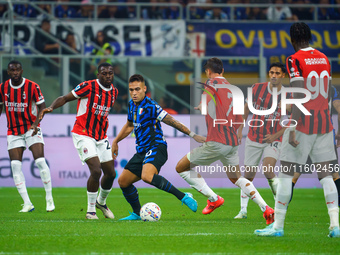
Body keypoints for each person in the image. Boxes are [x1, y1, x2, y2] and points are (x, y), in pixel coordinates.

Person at [255, 22, 340, 237]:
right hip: (325, 124)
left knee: (284, 176)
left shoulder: (294, 59)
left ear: (292, 39)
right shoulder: (324, 58)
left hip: (303, 124)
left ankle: (277, 227)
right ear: (310, 36)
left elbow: (300, 93)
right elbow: (329, 91)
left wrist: (292, 127)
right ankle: (335, 225)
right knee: (327, 176)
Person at [175, 57, 275, 223]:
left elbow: (206, 104)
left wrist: (202, 106)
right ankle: (266, 208)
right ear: (222, 71)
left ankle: (214, 199)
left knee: (182, 167)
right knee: (237, 178)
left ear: (208, 71)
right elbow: (239, 116)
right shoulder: (233, 89)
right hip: (232, 142)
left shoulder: (210, 85)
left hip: (216, 142)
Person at [111, 74, 205, 220]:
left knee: (147, 176)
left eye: (137, 89)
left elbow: (171, 121)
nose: (134, 93)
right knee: (123, 181)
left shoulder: (151, 106)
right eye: (131, 90)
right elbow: (129, 126)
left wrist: (193, 135)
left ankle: (183, 196)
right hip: (142, 151)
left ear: (144, 89)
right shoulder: (131, 105)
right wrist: (116, 141)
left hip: (157, 147)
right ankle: (137, 212)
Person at [39, 63, 117, 220]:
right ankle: (90, 211)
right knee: (96, 170)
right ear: (98, 74)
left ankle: (101, 202)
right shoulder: (88, 86)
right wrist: (51, 107)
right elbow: (65, 98)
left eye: (110, 73)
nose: (108, 76)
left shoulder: (114, 92)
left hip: (101, 136)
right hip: (83, 133)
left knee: (110, 173)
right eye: (104, 73)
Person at [234, 62, 289, 219]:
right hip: (253, 137)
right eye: (271, 72)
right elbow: (246, 108)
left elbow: (293, 120)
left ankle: (279, 206)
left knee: (268, 168)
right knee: (248, 176)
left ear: (283, 75)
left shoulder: (287, 95)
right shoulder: (257, 88)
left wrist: (275, 134)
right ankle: (243, 211)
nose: (274, 76)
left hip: (273, 138)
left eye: (277, 73)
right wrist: (239, 129)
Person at [0, 60, 54, 213]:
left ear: (22, 71)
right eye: (12, 70)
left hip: (31, 128)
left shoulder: (32, 86)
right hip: (13, 131)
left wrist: (36, 124)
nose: (15, 72)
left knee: (40, 161)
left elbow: (42, 107)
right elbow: (0, 106)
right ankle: (27, 203)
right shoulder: (2, 88)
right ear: (8, 72)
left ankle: (49, 198)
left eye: (17, 70)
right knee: (15, 166)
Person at [289, 85, 340, 204]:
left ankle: (279, 216)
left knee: (294, 175)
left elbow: (292, 109)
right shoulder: (330, 88)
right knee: (334, 175)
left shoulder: (301, 87)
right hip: (326, 137)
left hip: (306, 136)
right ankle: (335, 216)